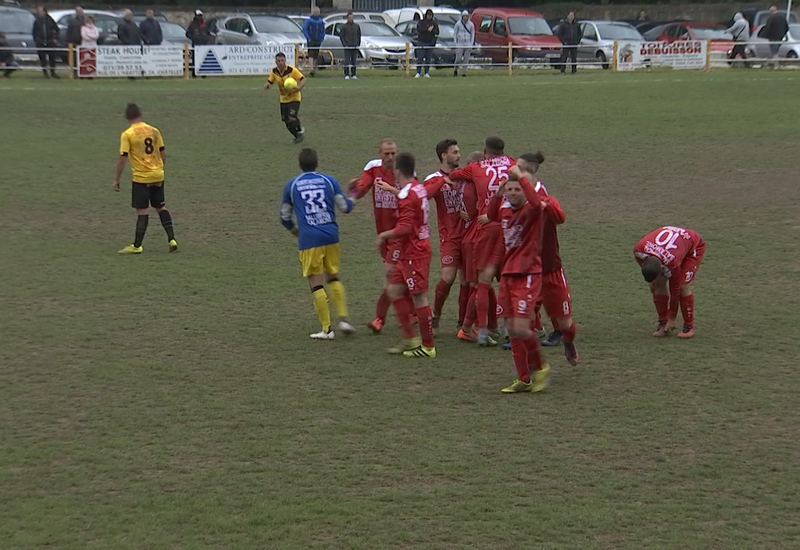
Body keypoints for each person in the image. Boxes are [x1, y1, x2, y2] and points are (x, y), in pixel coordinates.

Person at [280, 148, 356, 339]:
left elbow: (284, 216)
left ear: (300, 164)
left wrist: (295, 231)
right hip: (331, 236)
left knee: (316, 283)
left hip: (309, 239)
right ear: (317, 163)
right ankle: (344, 320)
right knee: (333, 276)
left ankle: (326, 329)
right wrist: (354, 193)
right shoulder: (329, 181)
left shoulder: (292, 185)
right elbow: (345, 207)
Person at [487, 165, 549, 393]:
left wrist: (522, 178)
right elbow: (492, 215)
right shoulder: (505, 211)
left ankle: (540, 367)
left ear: (525, 190)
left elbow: (535, 202)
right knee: (512, 329)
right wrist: (498, 191)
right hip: (508, 275)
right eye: (509, 189)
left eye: (517, 189)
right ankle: (524, 379)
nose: (512, 193)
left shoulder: (532, 210)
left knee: (522, 328)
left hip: (528, 274)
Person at [447, 136, 514, 347]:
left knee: (481, 283)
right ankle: (508, 327)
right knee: (509, 280)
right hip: (510, 227)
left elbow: (454, 175)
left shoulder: (476, 167)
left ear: (486, 151)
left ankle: (477, 329)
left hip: (486, 227)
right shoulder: (512, 163)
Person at [516, 153, 578, 366]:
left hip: (551, 269)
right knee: (523, 321)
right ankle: (532, 364)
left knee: (565, 323)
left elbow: (560, 217)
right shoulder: (513, 202)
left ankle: (568, 342)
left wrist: (545, 205)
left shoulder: (545, 200)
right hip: (527, 271)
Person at [349, 140, 415, 334]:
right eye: (386, 154)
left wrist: (390, 189)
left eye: (393, 153)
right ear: (380, 153)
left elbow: (412, 195)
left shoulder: (404, 172)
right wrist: (351, 193)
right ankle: (412, 312)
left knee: (390, 273)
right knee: (400, 275)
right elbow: (362, 188)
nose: (390, 158)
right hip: (383, 233)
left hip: (400, 233)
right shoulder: (373, 167)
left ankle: (379, 319)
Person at [375, 153, 436, 358]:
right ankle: (410, 338)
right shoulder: (417, 187)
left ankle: (428, 347)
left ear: (397, 171)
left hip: (415, 252)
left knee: (419, 298)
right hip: (409, 251)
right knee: (393, 290)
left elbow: (406, 227)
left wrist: (384, 235)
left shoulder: (406, 194)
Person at [113, 103, 178, 255]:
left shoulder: (128, 134)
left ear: (127, 117)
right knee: (160, 206)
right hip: (158, 174)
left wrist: (116, 179)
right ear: (140, 114)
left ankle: (137, 246)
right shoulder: (154, 130)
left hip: (142, 177)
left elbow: (122, 158)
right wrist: (159, 169)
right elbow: (162, 152)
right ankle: (172, 239)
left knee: (142, 211)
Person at [423, 139, 467, 331]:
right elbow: (424, 194)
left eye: (458, 152)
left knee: (467, 280)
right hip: (449, 236)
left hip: (468, 235)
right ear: (444, 155)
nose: (458, 155)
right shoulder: (433, 177)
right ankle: (436, 314)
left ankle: (463, 321)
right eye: (455, 152)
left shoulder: (464, 175)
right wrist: (442, 181)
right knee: (448, 278)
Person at [634, 226, 705, 338]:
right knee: (656, 283)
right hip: (672, 248)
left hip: (693, 246)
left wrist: (672, 318)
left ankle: (688, 326)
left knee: (682, 286)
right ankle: (663, 323)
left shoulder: (673, 263)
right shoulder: (639, 249)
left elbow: (675, 291)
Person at [264, 52, 306, 143]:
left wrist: (298, 87)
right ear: (275, 61)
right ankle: (297, 136)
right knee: (286, 121)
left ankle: (299, 129)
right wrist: (267, 85)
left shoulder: (292, 70)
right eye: (278, 61)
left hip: (295, 97)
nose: (280, 62)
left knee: (291, 116)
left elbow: (303, 79)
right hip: (283, 99)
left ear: (285, 61)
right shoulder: (274, 72)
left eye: (282, 60)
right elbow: (270, 81)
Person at [186, 9, 216, 75]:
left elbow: (208, 32)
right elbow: (188, 34)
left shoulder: (205, 25)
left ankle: (203, 72)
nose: (200, 17)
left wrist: (208, 38)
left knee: (203, 58)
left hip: (204, 44)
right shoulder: (192, 25)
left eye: (200, 15)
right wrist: (194, 38)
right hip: (196, 44)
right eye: (198, 16)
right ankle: (194, 72)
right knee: (195, 59)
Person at [33, 7, 60, 79]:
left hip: (50, 42)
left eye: (41, 11)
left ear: (45, 12)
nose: (40, 13)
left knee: (52, 58)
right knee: (42, 58)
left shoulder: (50, 20)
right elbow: (34, 32)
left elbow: (57, 29)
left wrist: (55, 38)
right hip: (41, 43)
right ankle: (45, 73)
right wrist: (37, 40)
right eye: (39, 11)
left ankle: (53, 72)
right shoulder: (37, 21)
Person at [415, 9, 439, 78]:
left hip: (430, 42)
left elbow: (437, 31)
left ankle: (426, 72)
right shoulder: (421, 22)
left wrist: (432, 30)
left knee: (428, 59)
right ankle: (418, 72)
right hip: (421, 42)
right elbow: (419, 29)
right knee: (420, 58)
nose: (429, 16)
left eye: (430, 15)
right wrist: (427, 29)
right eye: (428, 15)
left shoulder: (434, 23)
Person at [302, 6, 325, 77]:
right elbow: (305, 29)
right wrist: (308, 38)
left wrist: (322, 37)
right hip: (311, 40)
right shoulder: (309, 20)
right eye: (315, 12)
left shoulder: (321, 21)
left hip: (318, 40)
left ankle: (314, 69)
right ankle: (311, 68)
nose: (316, 13)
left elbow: (323, 30)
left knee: (316, 54)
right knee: (311, 54)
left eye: (317, 12)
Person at [453, 10, 475, 77]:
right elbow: (455, 34)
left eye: (467, 16)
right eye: (464, 16)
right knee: (458, 58)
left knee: (466, 59)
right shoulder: (458, 24)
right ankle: (456, 69)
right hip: (460, 43)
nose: (466, 17)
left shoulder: (471, 24)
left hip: (468, 43)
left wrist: (471, 43)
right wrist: (455, 43)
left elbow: (473, 34)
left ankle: (464, 72)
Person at [339, 12, 361, 80]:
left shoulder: (356, 26)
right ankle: (346, 74)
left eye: (352, 17)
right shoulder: (344, 27)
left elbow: (359, 35)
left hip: (354, 46)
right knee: (347, 61)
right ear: (347, 18)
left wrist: (358, 43)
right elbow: (341, 36)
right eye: (349, 17)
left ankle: (354, 74)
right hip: (347, 46)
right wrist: (345, 44)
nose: (351, 19)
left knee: (354, 61)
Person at [67, 7, 85, 77]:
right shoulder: (72, 21)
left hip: (84, 42)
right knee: (75, 59)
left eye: (81, 11)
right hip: (75, 42)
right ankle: (75, 72)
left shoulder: (85, 20)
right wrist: (70, 41)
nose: (80, 12)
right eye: (78, 11)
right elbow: (69, 32)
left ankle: (83, 72)